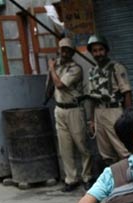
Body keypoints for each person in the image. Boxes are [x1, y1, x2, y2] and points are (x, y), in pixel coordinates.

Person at [48, 38, 93, 192]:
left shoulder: (75, 68)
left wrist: (51, 69)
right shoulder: (58, 66)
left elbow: (59, 84)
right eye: (62, 49)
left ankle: (87, 176)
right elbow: (50, 86)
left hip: (74, 109)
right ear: (59, 50)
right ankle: (71, 179)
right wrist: (53, 69)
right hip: (60, 109)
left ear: (73, 52)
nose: (65, 52)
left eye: (68, 50)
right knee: (65, 147)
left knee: (81, 144)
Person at [85, 34, 132, 165]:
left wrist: (128, 116)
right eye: (94, 51)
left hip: (114, 111)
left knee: (122, 148)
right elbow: (92, 98)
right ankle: (115, 180)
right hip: (99, 112)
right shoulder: (92, 71)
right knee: (105, 151)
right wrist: (91, 120)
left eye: (101, 50)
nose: (98, 53)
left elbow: (127, 92)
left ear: (106, 50)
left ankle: (131, 180)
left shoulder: (116, 67)